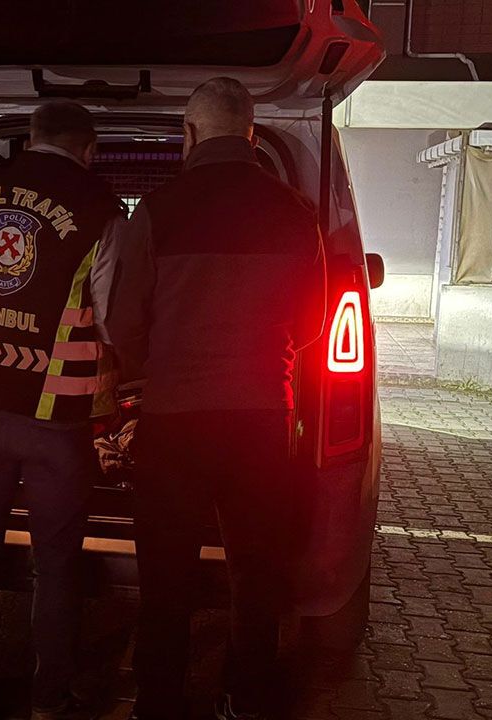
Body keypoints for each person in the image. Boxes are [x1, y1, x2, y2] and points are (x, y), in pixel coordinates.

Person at [101, 77, 326, 720]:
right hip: (262, 422)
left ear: (190, 134)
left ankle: (158, 703)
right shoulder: (295, 212)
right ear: (251, 135)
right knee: (257, 575)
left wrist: (155, 364)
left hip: (174, 424)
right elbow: (313, 325)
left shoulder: (156, 211)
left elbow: (122, 323)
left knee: (166, 576)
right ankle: (246, 699)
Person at [0, 101, 125, 720]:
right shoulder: (101, 209)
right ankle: (50, 700)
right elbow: (113, 317)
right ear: (89, 149)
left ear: (32, 136)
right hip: (57, 420)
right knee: (56, 565)